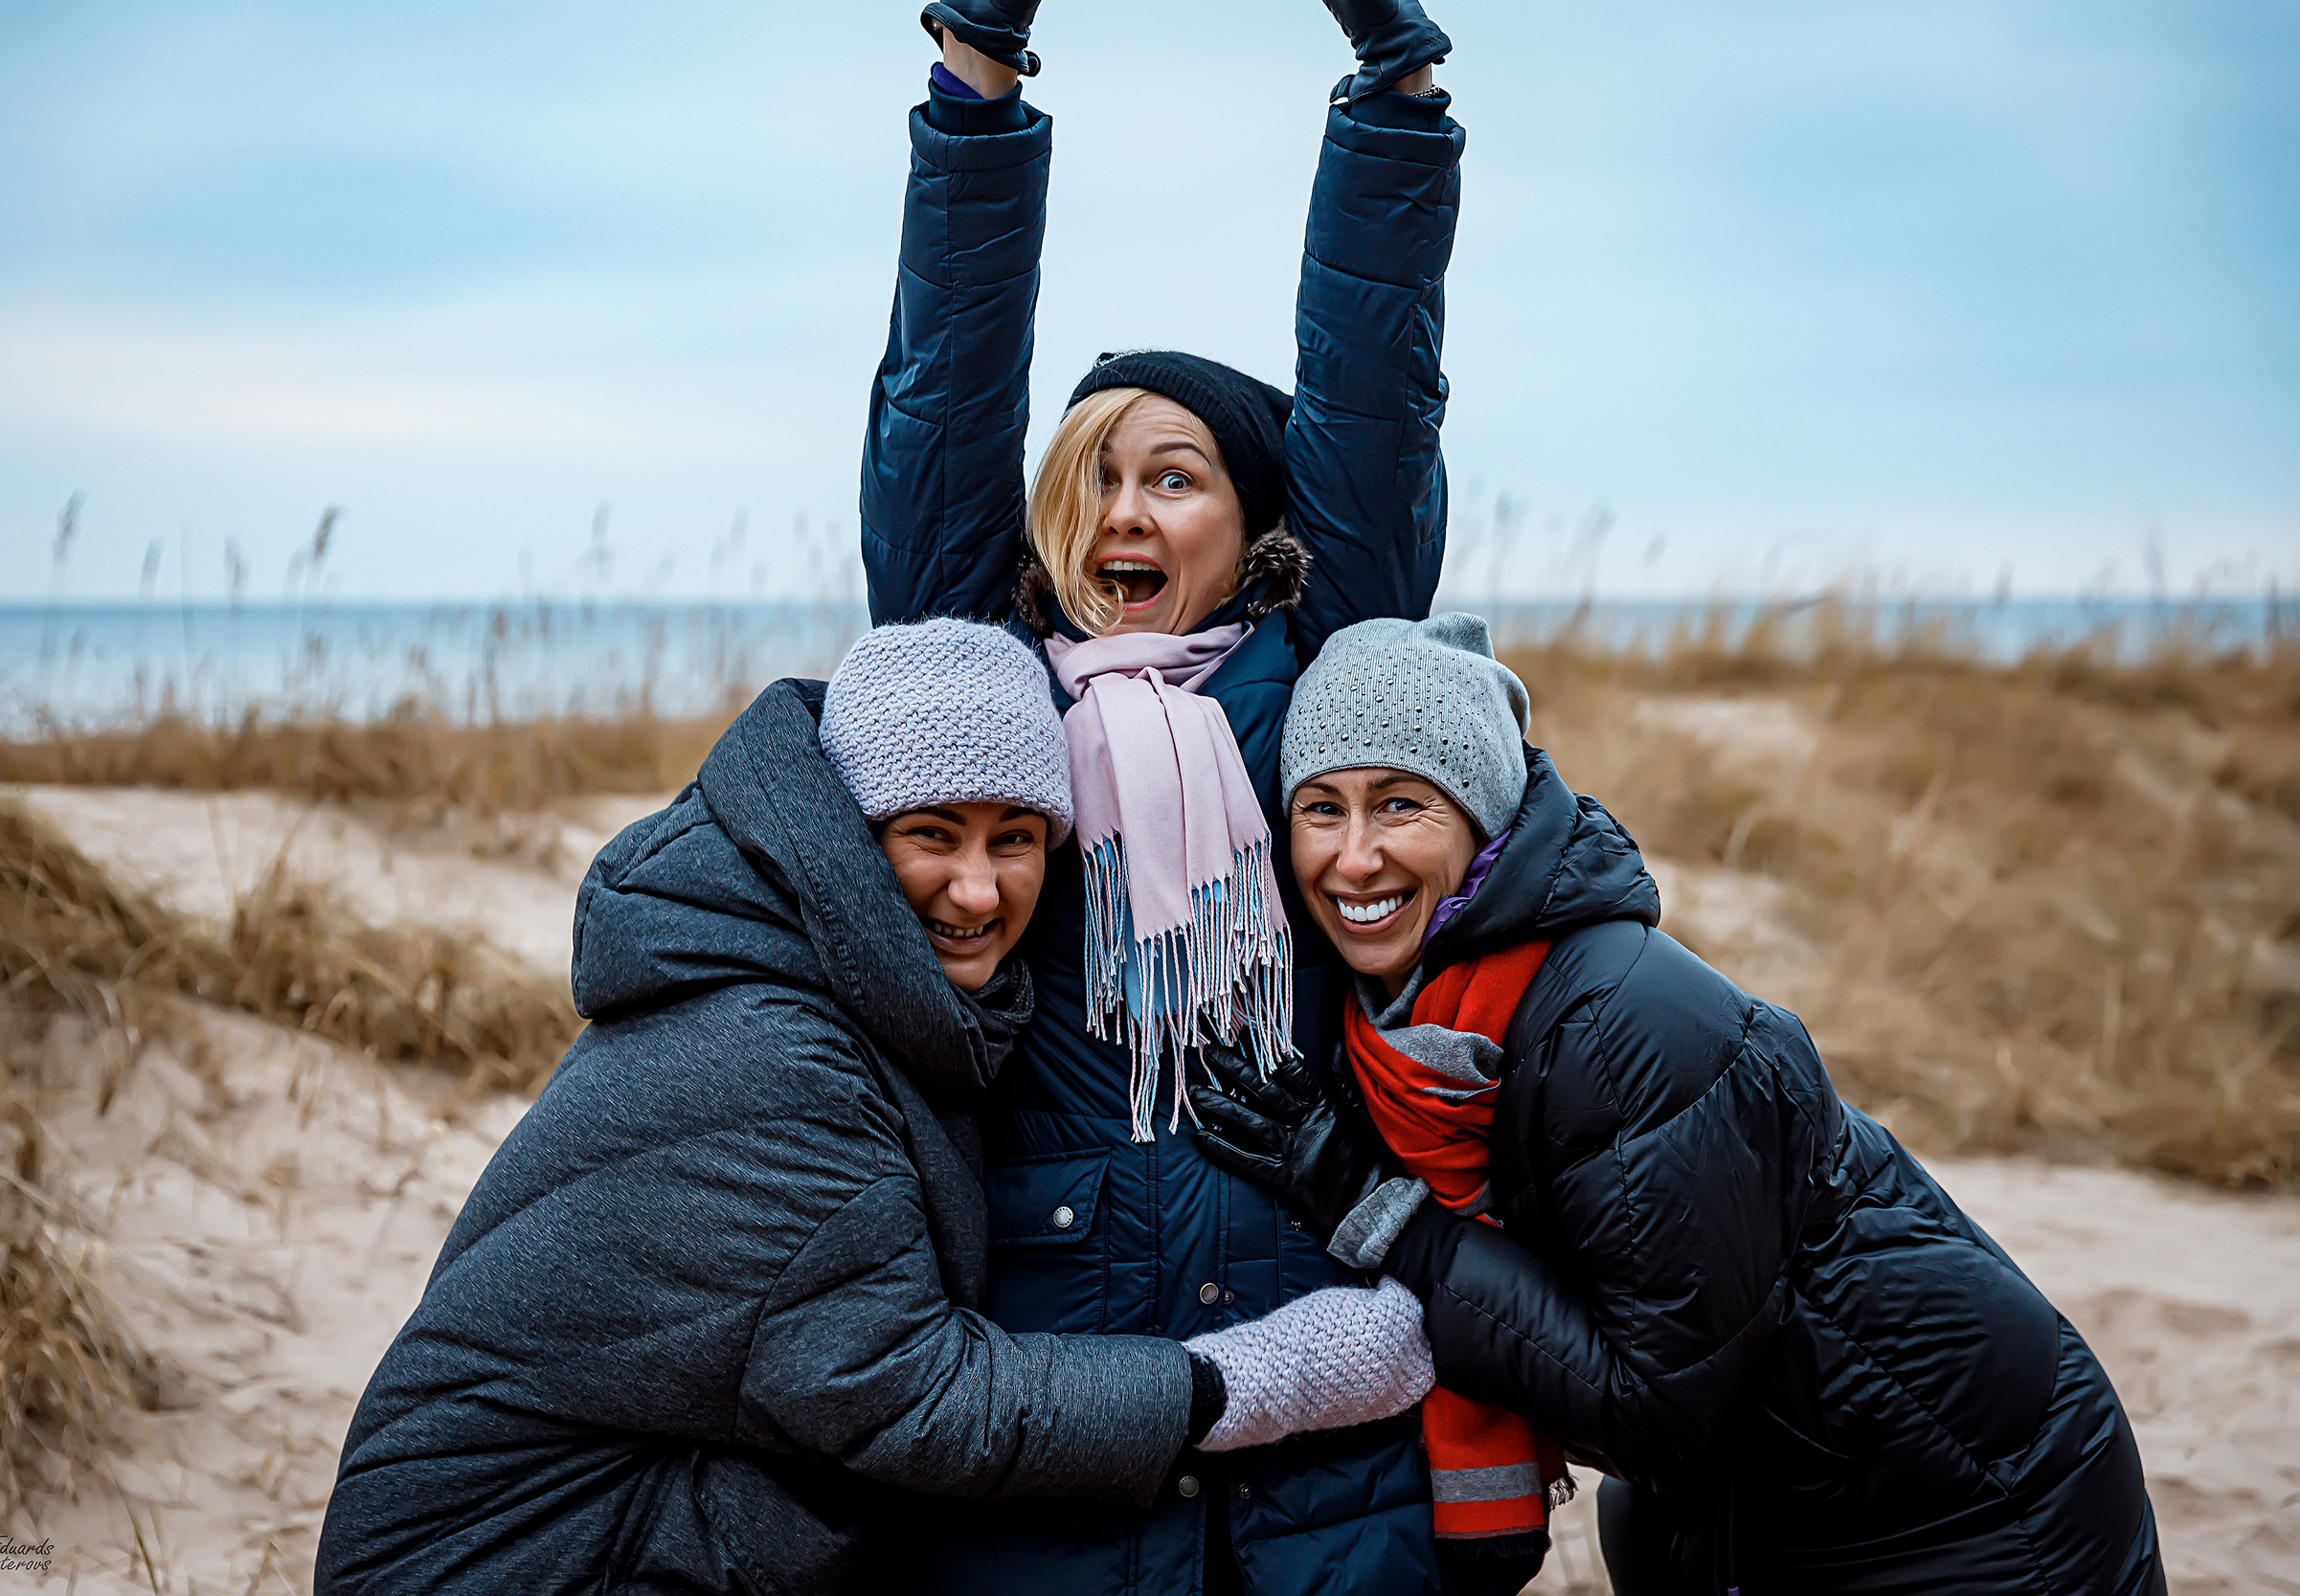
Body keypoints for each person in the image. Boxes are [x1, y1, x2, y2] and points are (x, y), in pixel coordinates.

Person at [313, 618, 1438, 1596]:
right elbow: (914, 1393)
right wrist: (1266, 1375)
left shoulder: (833, 978)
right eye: (931, 833)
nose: (978, 886)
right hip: (514, 1559)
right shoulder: (772, 1054)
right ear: (851, 838)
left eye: (1013, 836)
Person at [860, 3, 1482, 1590]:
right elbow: (942, 390)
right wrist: (976, 94)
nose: (1124, 511)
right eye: (1097, 479)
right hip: (1055, 1405)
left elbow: (1375, 392)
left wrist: (1394, 95)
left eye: (1175, 474)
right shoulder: (987, 685)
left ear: (1252, 521)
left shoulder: (1316, 685)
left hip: (1315, 1405)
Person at [1190, 612, 2172, 1595]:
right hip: (1788, 1485)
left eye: (1399, 804)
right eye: (1321, 809)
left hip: (1972, 1508)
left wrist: (1378, 1211)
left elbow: (1648, 1403)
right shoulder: (1422, 1024)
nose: (1352, 858)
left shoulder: (1616, 1027)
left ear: (1482, 815)